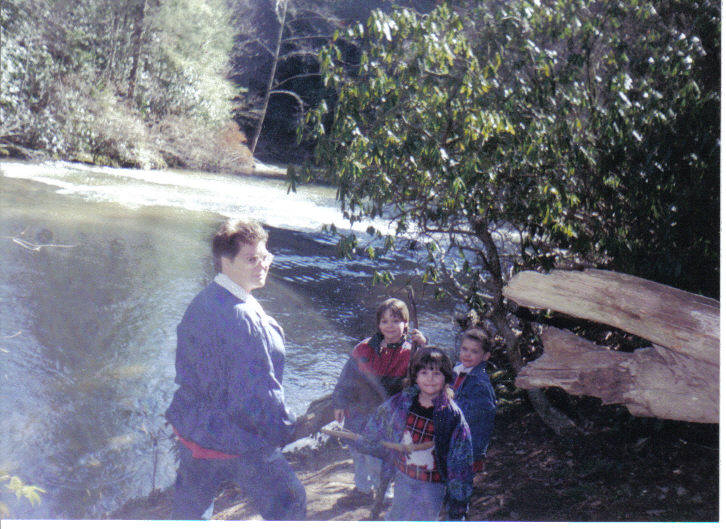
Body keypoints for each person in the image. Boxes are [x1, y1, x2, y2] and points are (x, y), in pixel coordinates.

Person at [164, 218, 306, 520]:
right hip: (237, 440)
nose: (262, 264)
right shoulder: (242, 317)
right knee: (291, 502)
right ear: (225, 261)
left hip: (196, 432)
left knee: (190, 515)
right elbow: (258, 393)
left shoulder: (203, 301)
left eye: (264, 256)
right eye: (251, 258)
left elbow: (188, 370)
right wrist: (284, 428)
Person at [354, 346, 473, 520]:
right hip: (403, 476)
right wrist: (366, 439)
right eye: (424, 373)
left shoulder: (451, 416)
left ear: (446, 377)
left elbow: (461, 460)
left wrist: (459, 500)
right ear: (415, 376)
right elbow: (379, 419)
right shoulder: (403, 401)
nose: (430, 379)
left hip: (432, 484)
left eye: (436, 374)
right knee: (397, 515)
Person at [331, 298, 426, 502]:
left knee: (378, 455)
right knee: (357, 451)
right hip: (358, 410)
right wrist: (339, 402)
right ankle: (362, 489)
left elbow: (430, 375)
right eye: (384, 321)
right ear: (378, 324)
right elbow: (346, 377)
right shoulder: (364, 348)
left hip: (386, 417)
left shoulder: (412, 353)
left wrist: (424, 348)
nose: (389, 326)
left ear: (406, 324)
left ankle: (384, 493)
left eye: (395, 321)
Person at [452, 328, 497, 472]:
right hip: (456, 441)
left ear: (485, 356)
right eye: (464, 349)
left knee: (459, 483)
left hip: (468, 447)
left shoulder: (479, 383)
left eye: (474, 351)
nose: (467, 354)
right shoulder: (459, 370)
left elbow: (478, 416)